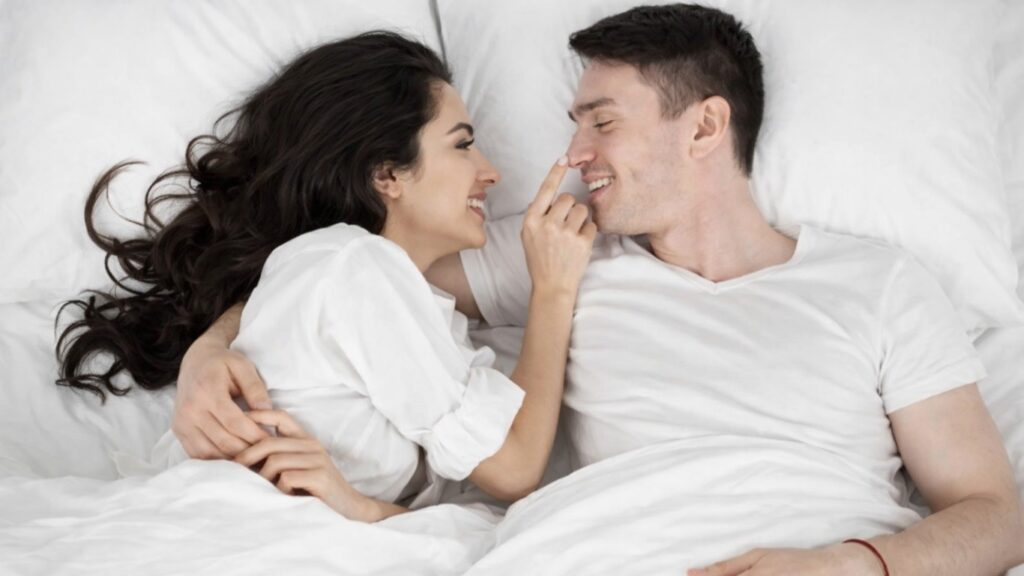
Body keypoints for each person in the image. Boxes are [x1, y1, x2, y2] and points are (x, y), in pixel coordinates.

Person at [173, 4, 1024, 575]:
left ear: (706, 125)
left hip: (818, 542)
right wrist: (209, 352)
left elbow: (994, 513)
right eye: (574, 125)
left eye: (603, 123)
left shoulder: (878, 284)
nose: (575, 155)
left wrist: (854, 565)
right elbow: (354, 277)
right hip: (596, 551)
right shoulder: (565, 252)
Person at [56, 32, 595, 522]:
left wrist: (363, 509)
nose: (490, 171)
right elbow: (514, 466)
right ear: (387, 174)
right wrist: (553, 289)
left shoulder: (353, 275)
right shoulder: (357, 268)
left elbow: (371, 509)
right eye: (461, 144)